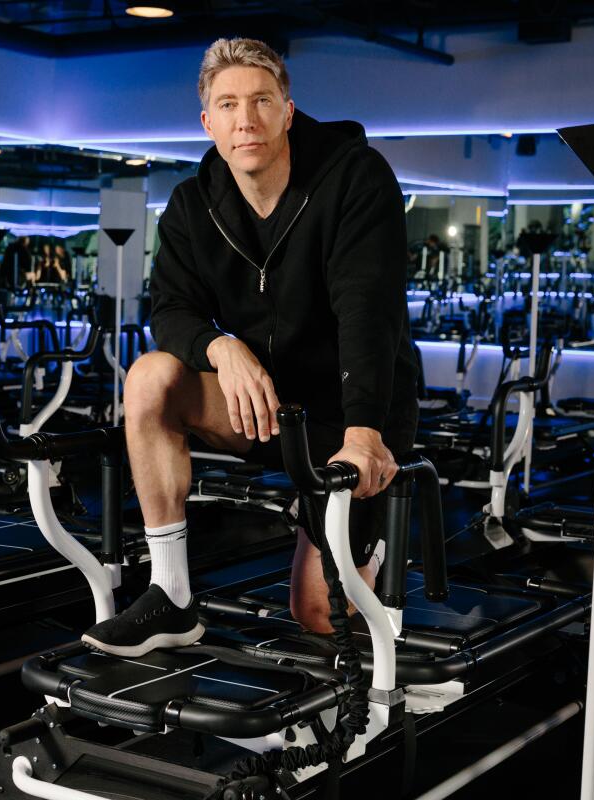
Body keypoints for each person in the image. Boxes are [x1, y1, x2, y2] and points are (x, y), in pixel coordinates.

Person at [81, 37, 418, 657]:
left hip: (350, 417)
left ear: (287, 110)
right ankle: (171, 594)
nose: (247, 119)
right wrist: (221, 347)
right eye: (229, 105)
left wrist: (366, 431)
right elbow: (171, 310)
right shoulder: (190, 205)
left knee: (320, 613)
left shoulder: (354, 179)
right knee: (150, 377)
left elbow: (367, 311)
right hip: (261, 408)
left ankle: (371, 593)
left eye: (262, 100)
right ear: (208, 122)